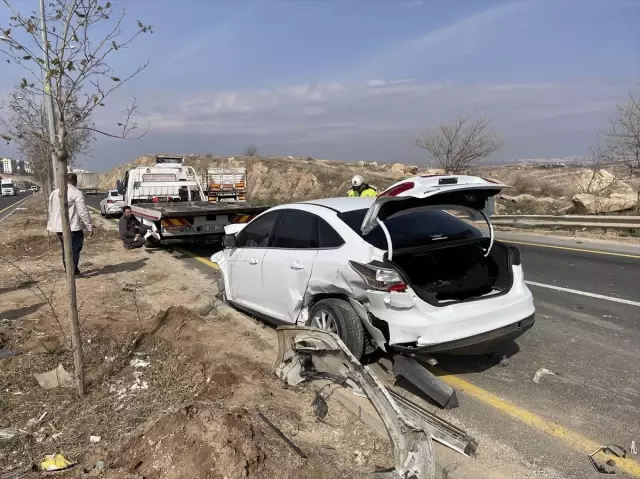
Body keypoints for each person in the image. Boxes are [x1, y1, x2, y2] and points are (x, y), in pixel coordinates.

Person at [47, 173, 93, 276]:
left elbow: (51, 210)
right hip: (73, 227)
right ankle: (72, 271)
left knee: (65, 249)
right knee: (74, 250)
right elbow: (83, 211)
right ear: (75, 181)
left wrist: (53, 224)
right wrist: (89, 226)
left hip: (58, 227)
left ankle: (69, 270)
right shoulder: (76, 193)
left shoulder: (55, 192)